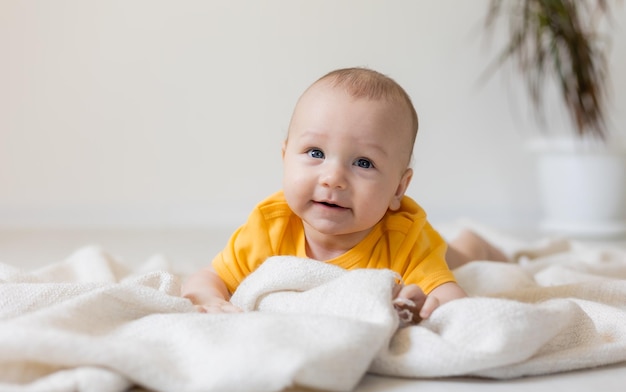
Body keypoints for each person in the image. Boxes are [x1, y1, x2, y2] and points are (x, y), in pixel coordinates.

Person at [182, 67, 507, 321]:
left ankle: (475, 242)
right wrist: (211, 300)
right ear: (285, 158)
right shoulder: (270, 226)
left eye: (363, 162)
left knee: (458, 257)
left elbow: (450, 298)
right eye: (315, 152)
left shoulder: (405, 240)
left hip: (427, 245)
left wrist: (430, 305)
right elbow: (209, 277)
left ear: (398, 188)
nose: (333, 178)